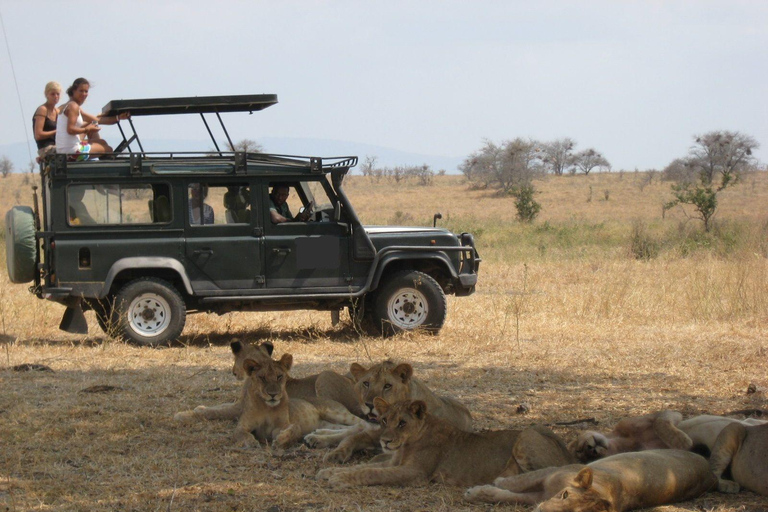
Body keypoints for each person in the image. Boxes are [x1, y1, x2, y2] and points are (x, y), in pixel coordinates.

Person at [55, 78, 128, 160]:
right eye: (81, 91)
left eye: (86, 91)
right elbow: (70, 130)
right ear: (73, 91)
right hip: (72, 152)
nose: (84, 94)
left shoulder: (70, 105)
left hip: (65, 150)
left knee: (102, 142)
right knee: (109, 149)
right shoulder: (73, 106)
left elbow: (96, 120)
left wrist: (118, 117)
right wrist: (87, 129)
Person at [33, 81, 61, 160]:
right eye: (53, 94)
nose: (56, 96)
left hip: (56, 146)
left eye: (57, 94)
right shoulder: (42, 110)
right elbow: (38, 135)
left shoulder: (57, 111)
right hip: (46, 148)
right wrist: (57, 131)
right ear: (46, 95)